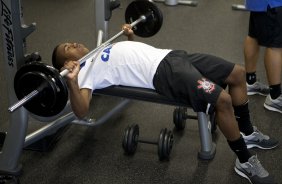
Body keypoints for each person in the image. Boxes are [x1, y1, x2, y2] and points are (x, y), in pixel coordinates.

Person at [52, 24, 278, 184]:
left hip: (172, 57)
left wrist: (130, 37)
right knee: (223, 100)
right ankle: (245, 161)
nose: (73, 43)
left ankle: (246, 131)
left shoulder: (100, 49)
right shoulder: (85, 73)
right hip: (164, 73)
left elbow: (132, 57)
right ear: (67, 62)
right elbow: (81, 111)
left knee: (237, 73)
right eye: (67, 47)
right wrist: (72, 82)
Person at [244, 0, 282, 114]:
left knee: (253, 35)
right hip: (273, 3)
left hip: (258, 2)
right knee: (276, 45)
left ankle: (250, 82)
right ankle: (275, 97)